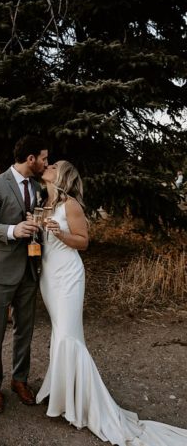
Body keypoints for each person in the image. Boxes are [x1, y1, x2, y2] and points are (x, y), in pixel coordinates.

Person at [36, 161, 187, 444]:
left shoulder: (70, 204)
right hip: (48, 276)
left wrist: (59, 233)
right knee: (60, 334)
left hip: (68, 275)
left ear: (62, 176)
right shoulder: (45, 201)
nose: (48, 165)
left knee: (70, 336)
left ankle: (85, 404)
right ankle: (63, 394)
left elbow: (83, 242)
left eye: (54, 165)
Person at [0, 135, 48, 414]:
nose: (45, 163)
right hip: (0, 270)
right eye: (43, 158)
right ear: (30, 159)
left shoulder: (40, 187)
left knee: (25, 331)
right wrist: (12, 230)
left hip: (30, 269)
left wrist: (37, 225)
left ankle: (20, 380)